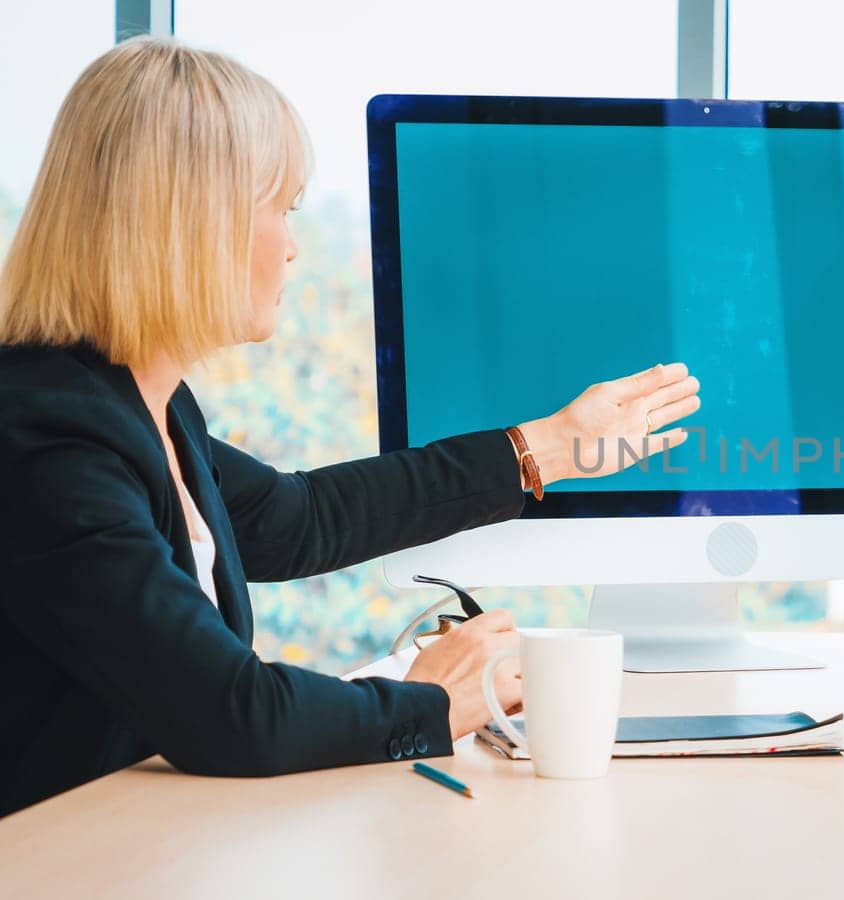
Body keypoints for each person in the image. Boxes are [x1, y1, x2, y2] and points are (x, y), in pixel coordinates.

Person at [0, 37, 701, 816]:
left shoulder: (138, 406)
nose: (294, 246)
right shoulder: (47, 440)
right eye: (280, 207)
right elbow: (231, 715)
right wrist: (430, 701)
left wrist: (544, 448)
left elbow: (295, 519)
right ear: (191, 221)